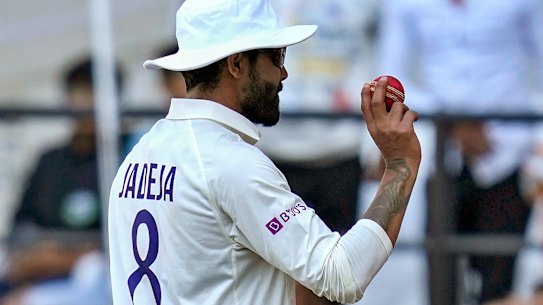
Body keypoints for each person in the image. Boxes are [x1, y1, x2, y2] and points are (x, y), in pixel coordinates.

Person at [107, 0, 422, 304]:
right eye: (277, 57)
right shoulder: (231, 162)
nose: (283, 74)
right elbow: (342, 274)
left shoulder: (138, 157)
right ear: (237, 64)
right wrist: (400, 165)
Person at [372, 0, 543, 304]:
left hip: (509, 152)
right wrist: (451, 121)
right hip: (438, 152)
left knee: (499, 285)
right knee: (440, 279)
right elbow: (389, 78)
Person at [0, 56, 124, 305]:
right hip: (35, 268)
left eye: (97, 94)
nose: (88, 104)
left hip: (91, 275)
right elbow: (20, 227)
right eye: (81, 94)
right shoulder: (50, 160)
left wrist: (67, 259)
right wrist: (29, 260)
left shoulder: (127, 156)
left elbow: (126, 238)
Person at [256, 0, 379, 235]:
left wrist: (375, 143)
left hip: (341, 147)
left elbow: (387, 51)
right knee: (273, 263)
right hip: (272, 149)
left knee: (341, 260)